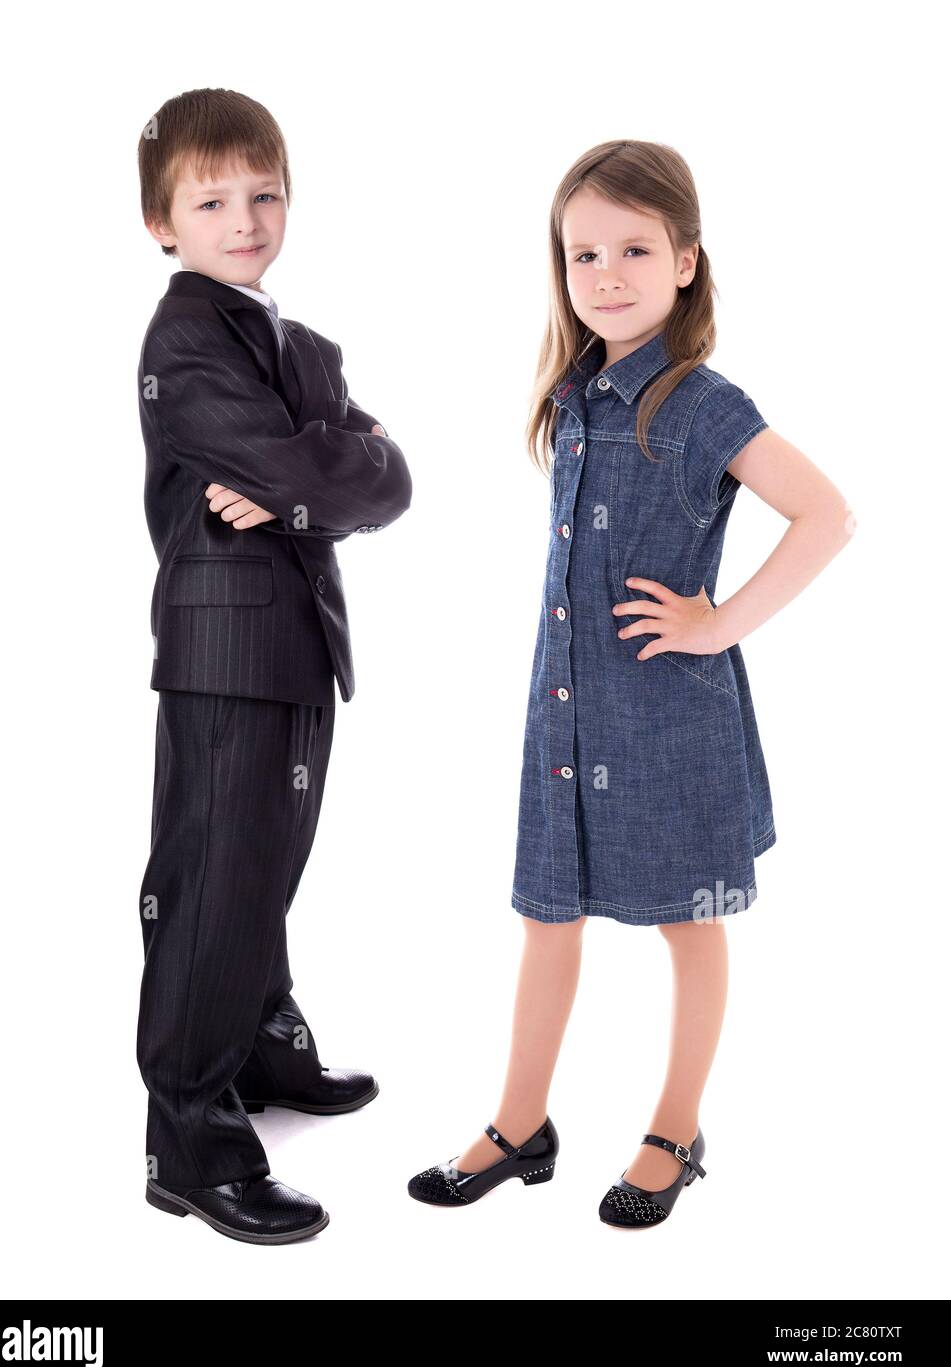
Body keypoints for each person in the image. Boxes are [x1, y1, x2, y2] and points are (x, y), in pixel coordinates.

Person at [407, 139, 854, 1226]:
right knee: (546, 920)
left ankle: (675, 1127)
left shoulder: (703, 403)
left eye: (634, 248)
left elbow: (827, 515)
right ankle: (520, 1123)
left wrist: (716, 623)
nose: (606, 273)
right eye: (582, 254)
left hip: (666, 716)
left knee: (688, 925)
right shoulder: (575, 397)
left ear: (687, 261)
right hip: (564, 709)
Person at [135, 87, 412, 1244]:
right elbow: (300, 461)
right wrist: (319, 469)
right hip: (225, 645)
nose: (243, 218)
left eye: (263, 194)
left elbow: (389, 477)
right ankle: (188, 1133)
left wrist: (309, 477)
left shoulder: (302, 345)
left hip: (298, 642)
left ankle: (258, 1044)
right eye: (211, 200)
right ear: (163, 222)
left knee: (266, 864)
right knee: (210, 881)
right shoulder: (186, 337)